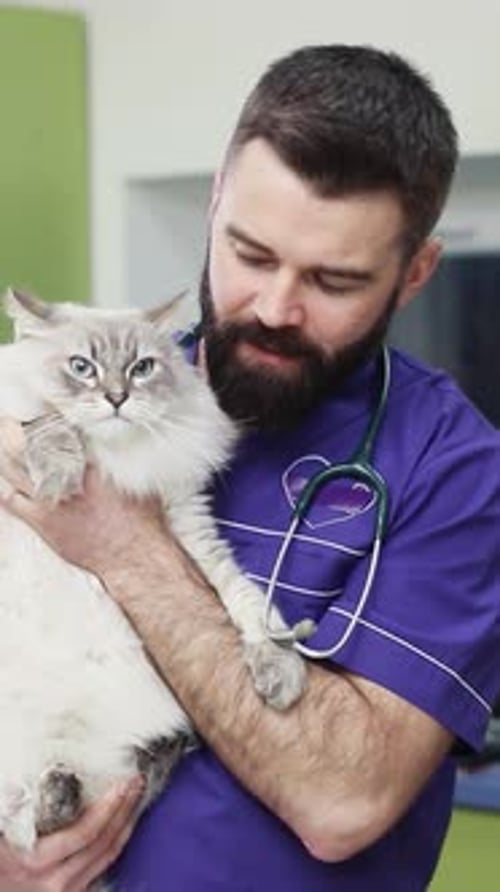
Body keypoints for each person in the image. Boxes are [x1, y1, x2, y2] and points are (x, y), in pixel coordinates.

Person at [0, 43, 499, 892]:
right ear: (213, 210)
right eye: (251, 255)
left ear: (413, 273)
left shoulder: (455, 471)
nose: (273, 308)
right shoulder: (93, 396)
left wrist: (123, 544)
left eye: (333, 280)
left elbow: (344, 800)